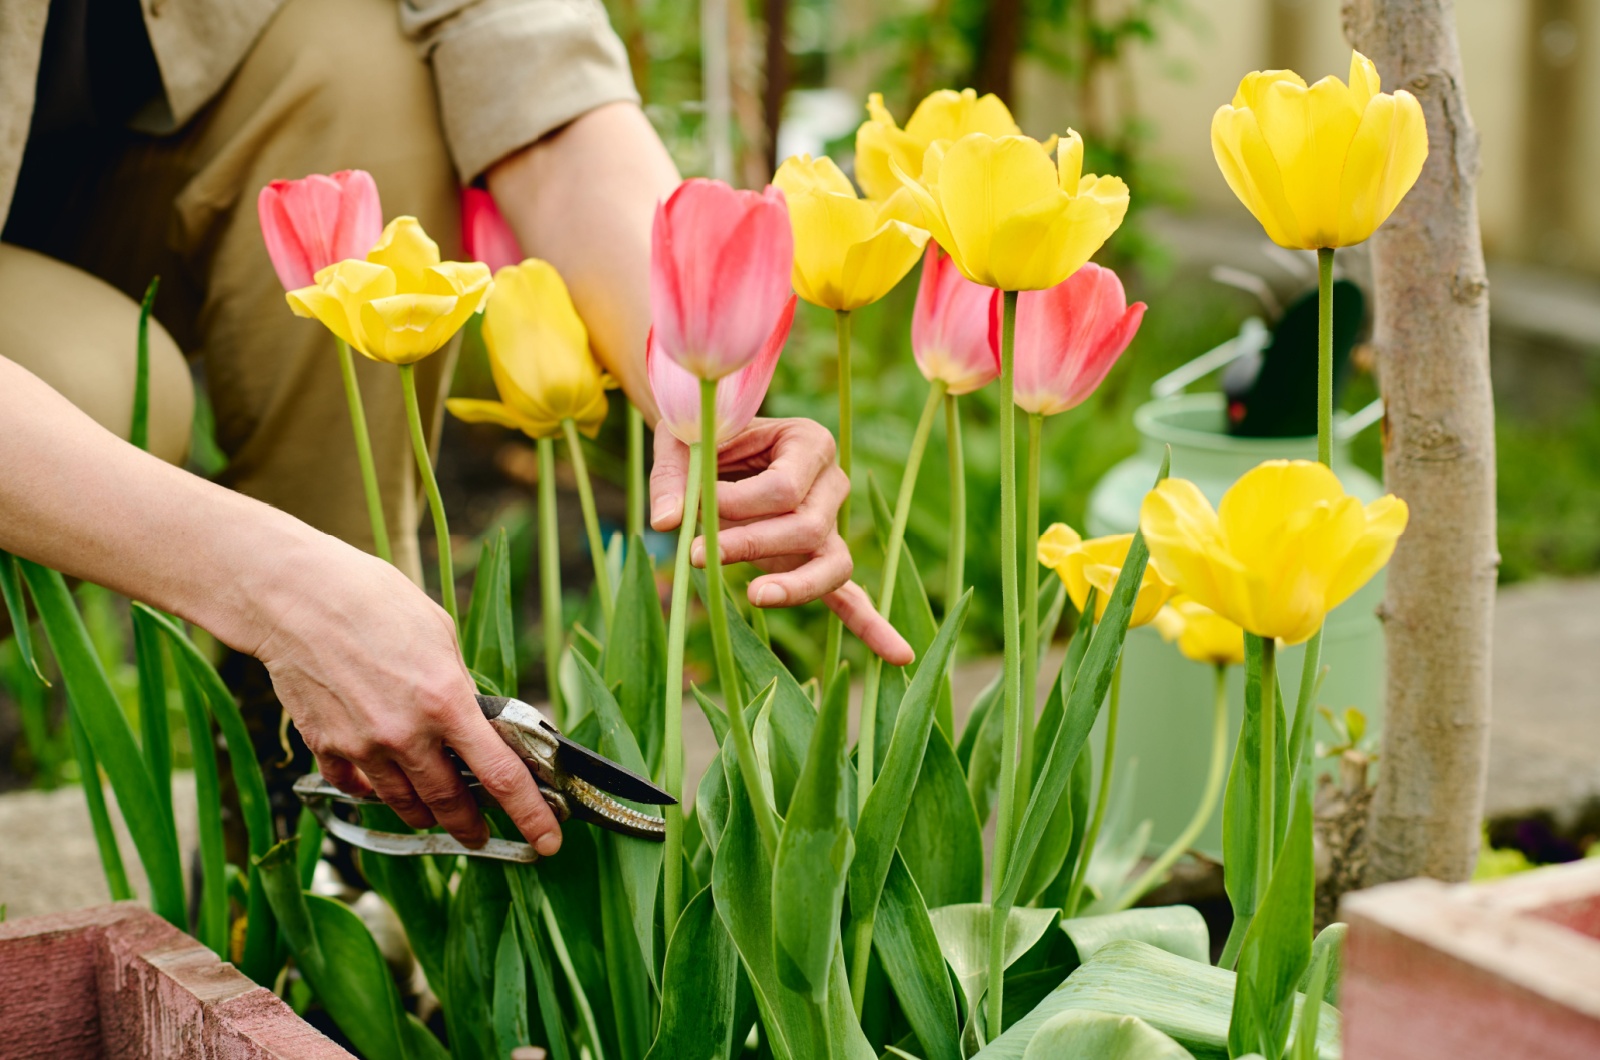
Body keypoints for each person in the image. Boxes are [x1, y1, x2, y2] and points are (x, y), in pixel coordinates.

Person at [0, 0, 911, 858]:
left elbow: (535, 72)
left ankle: (311, 787)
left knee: (366, 54)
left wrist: (696, 388)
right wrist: (267, 588)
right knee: (113, 387)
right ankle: (308, 639)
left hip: (99, 193)